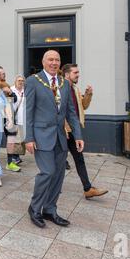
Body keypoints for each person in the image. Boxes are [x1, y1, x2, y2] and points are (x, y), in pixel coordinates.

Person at [25, 50, 84, 229]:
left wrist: (78, 136)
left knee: (58, 175)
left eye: (57, 59)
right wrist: (29, 138)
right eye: (50, 59)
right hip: (41, 135)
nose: (54, 62)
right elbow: (28, 111)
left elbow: (71, 112)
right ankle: (34, 208)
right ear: (43, 62)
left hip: (60, 137)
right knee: (47, 172)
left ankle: (50, 209)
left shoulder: (65, 83)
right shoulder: (33, 81)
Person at [62, 64, 108, 199]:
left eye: (78, 72)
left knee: (79, 159)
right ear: (66, 74)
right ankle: (52, 188)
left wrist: (88, 94)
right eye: (75, 72)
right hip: (61, 130)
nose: (78, 75)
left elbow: (83, 106)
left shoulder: (75, 89)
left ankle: (88, 189)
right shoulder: (59, 88)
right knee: (58, 161)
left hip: (73, 130)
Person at [7, 75, 26, 170]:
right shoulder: (11, 90)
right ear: (15, 81)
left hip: (23, 118)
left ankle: (16, 156)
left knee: (20, 138)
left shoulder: (25, 90)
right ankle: (14, 157)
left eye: (22, 80)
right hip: (13, 118)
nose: (21, 82)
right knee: (15, 139)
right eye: (19, 80)